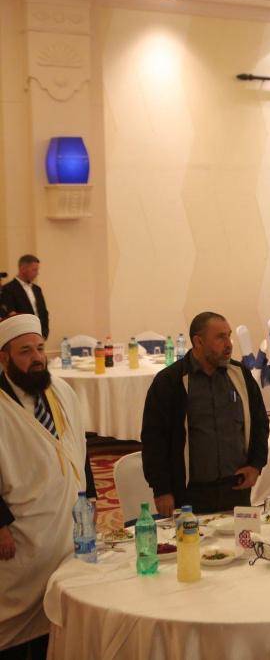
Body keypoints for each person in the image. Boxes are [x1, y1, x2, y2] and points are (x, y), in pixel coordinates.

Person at [0, 315, 90, 658]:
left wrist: (91, 500)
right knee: (16, 617)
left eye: (40, 348)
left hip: (66, 519)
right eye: (25, 351)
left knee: (60, 608)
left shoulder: (62, 391)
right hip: (22, 529)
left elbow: (79, 448)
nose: (37, 358)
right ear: (4, 358)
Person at [141, 312, 269, 516]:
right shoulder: (170, 382)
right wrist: (161, 489)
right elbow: (154, 440)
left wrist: (256, 465)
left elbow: (260, 423)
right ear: (198, 342)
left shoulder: (240, 375)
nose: (229, 344)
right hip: (190, 494)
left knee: (241, 538)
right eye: (220, 337)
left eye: (229, 336)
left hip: (236, 489)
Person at [0, 255, 49, 339]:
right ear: (23, 269)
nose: (37, 273)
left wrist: (44, 334)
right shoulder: (8, 289)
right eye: (34, 270)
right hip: (21, 336)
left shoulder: (37, 289)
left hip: (39, 336)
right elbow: (11, 314)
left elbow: (44, 313)